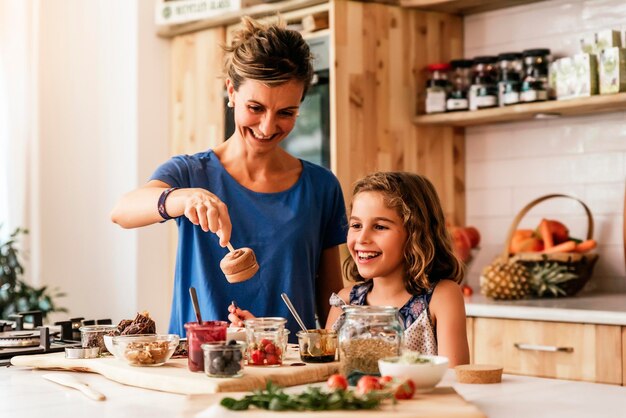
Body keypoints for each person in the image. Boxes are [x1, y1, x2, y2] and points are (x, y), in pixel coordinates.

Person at [110, 16, 347, 339]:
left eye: (286, 113)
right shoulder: (190, 173)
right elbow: (122, 211)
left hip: (289, 369)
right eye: (255, 107)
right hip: (196, 363)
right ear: (231, 92)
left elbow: (332, 297)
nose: (267, 127)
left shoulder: (321, 187)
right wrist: (182, 198)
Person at [325, 172, 469, 367]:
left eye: (380, 227)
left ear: (416, 234)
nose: (362, 238)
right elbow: (326, 375)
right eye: (356, 225)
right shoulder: (344, 302)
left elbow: (453, 379)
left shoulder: (441, 297)